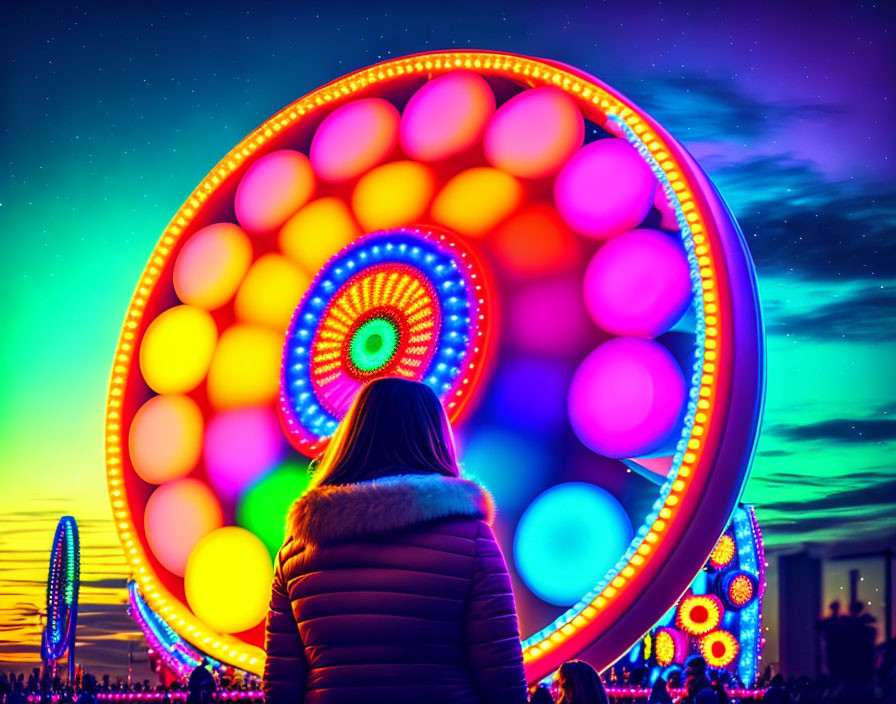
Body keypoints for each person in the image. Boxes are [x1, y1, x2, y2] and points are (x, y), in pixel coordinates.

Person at [263, 378, 528, 704]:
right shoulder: (471, 540)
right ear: (434, 438)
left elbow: (281, 686)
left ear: (351, 437)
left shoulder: (297, 551)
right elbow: (503, 680)